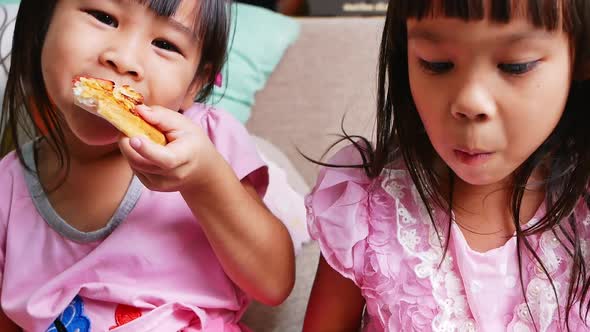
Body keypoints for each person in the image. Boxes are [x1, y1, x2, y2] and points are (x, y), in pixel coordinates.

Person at [0, 0, 295, 331]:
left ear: (196, 83)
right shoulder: (8, 187)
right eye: (103, 17)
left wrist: (205, 180)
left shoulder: (206, 141)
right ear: (43, 25)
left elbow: (274, 283)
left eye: (165, 44)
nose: (124, 60)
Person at [303, 0, 590, 331]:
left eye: (515, 66)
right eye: (436, 64)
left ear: (581, 56)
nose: (470, 101)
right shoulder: (364, 205)